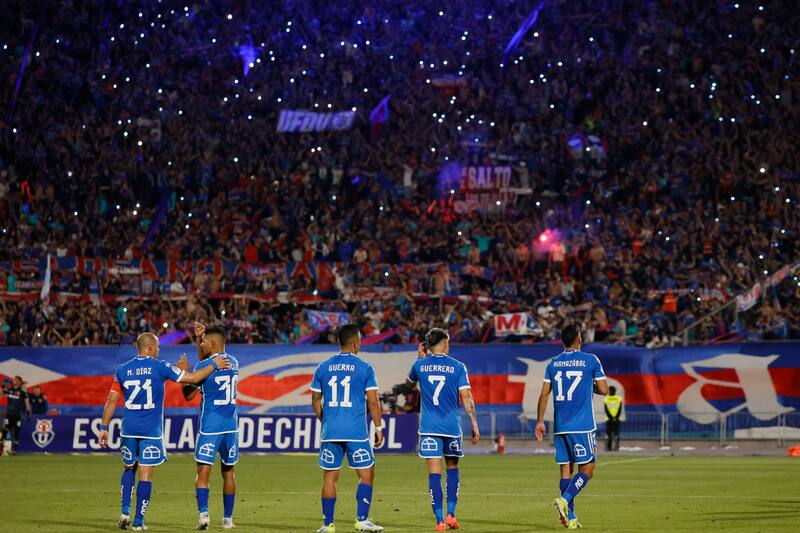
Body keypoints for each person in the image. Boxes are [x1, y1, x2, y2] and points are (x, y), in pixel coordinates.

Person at [98, 332, 230, 530]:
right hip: (151, 431)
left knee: (128, 468)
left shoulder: (123, 370)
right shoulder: (160, 366)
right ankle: (138, 522)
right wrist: (214, 365)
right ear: (150, 347)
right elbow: (193, 377)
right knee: (146, 475)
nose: (159, 350)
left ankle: (125, 511)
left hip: (128, 429)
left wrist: (104, 427)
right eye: (157, 347)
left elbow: (112, 400)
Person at [310, 324, 385, 533]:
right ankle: (361, 520)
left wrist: (324, 420)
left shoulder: (323, 367)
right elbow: (372, 401)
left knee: (330, 477)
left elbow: (316, 399)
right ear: (355, 343)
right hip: (356, 432)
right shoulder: (365, 367)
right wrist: (378, 427)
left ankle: (328, 524)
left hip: (331, 431)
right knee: (366, 473)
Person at [406, 328, 480, 531]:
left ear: (428, 345)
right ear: (445, 344)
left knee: (434, 474)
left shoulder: (420, 365)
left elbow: (408, 385)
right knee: (453, 469)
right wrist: (474, 423)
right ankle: (451, 515)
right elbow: (466, 397)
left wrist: (420, 357)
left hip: (429, 427)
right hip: (451, 427)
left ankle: (439, 521)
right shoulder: (458, 367)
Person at [535, 324, 608, 529]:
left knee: (565, 471)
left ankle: (572, 518)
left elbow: (543, 395)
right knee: (588, 469)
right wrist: (589, 384)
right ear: (578, 339)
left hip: (560, 426)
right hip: (582, 426)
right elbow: (604, 389)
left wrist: (540, 421)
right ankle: (565, 500)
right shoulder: (590, 360)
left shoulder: (553, 363)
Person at [182, 323, 240, 530]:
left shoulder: (201, 368)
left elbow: (188, 393)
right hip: (231, 427)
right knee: (229, 472)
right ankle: (228, 520)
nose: (202, 344)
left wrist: (183, 375)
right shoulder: (234, 362)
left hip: (210, 427)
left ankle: (204, 516)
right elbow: (207, 362)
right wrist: (199, 339)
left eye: (205, 342)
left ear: (213, 343)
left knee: (203, 472)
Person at [2, 376, 31, 455]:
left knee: (16, 432)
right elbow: (2, 394)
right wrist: (3, 386)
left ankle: (14, 450)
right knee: (5, 430)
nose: (13, 381)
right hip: (9, 414)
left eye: (15, 380)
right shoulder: (10, 389)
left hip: (17, 414)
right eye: (14, 379)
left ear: (19, 381)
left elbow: (26, 401)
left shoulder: (22, 391)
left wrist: (28, 411)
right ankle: (1, 449)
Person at [604, 386, 623, 451]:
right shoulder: (618, 398)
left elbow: (619, 408)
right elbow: (607, 409)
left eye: (609, 390)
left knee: (614, 434)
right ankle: (611, 447)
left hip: (610, 419)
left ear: (612, 391)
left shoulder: (607, 399)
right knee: (612, 434)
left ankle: (614, 447)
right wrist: (615, 417)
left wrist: (612, 418)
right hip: (614, 419)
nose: (608, 392)